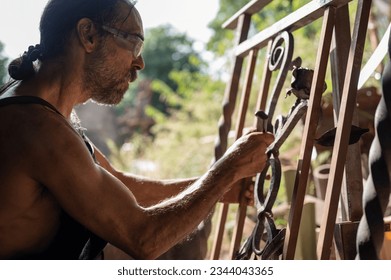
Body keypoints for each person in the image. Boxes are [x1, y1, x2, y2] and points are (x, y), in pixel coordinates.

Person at [0, 0, 273, 260]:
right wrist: (228, 169)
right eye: (134, 43)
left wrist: (224, 188)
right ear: (89, 35)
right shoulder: (36, 127)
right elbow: (143, 238)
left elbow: (119, 184)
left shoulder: (47, 112)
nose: (139, 63)